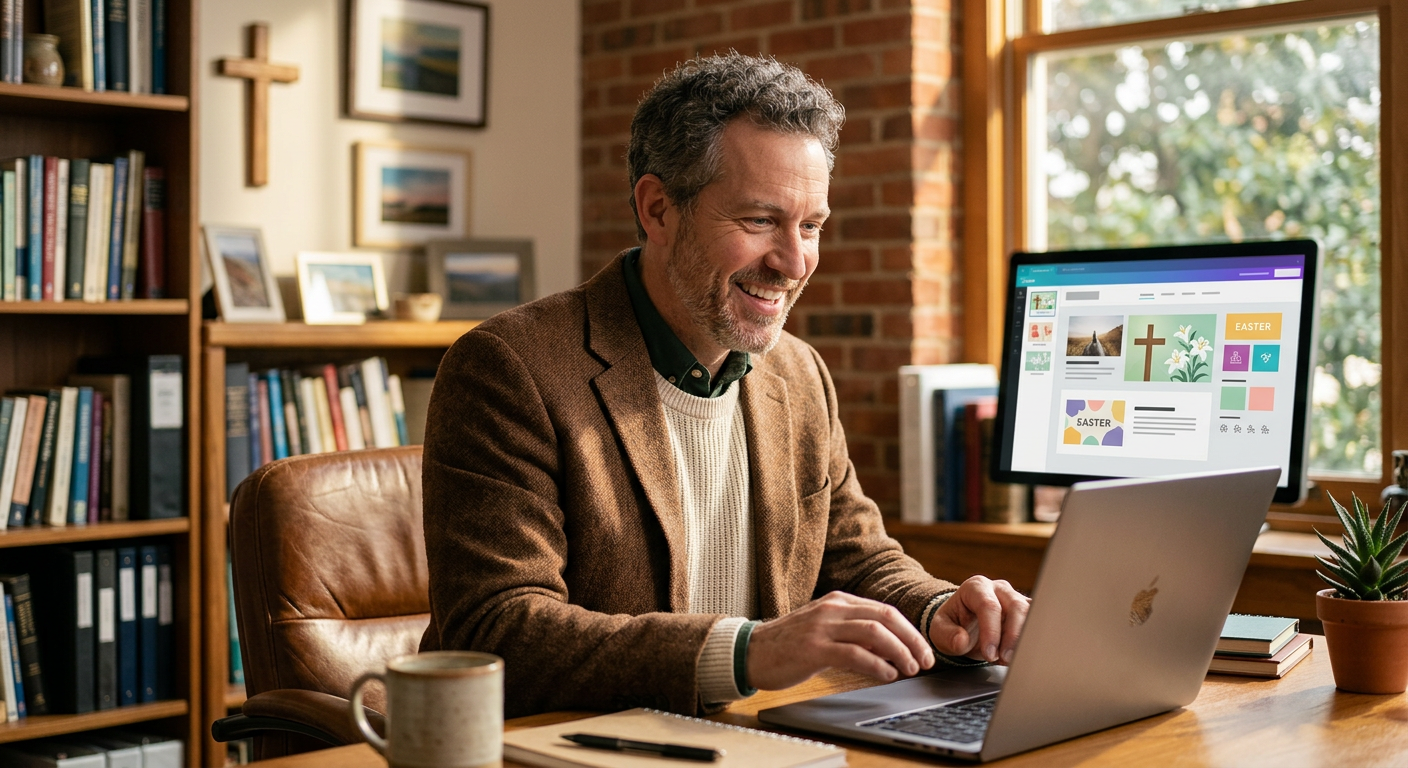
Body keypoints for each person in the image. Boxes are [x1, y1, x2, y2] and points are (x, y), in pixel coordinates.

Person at [419, 52, 1029, 718]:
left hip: (759, 740)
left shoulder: (799, 372)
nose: (793, 262)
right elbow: (496, 630)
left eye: (811, 226)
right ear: (657, 209)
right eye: (759, 221)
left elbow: (855, 557)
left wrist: (940, 610)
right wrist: (745, 653)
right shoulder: (509, 368)